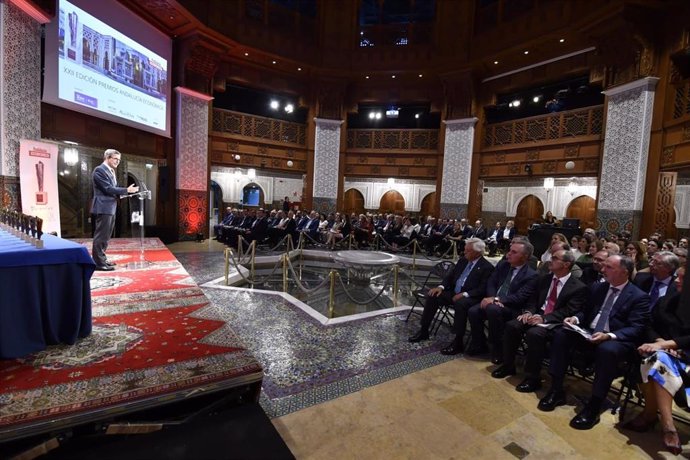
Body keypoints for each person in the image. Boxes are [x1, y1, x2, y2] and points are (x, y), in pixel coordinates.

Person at [537, 255, 650, 430]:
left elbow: (636, 328)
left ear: (624, 272)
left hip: (615, 338)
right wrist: (575, 318)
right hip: (589, 332)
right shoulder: (598, 288)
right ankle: (556, 389)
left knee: (607, 351)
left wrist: (609, 335)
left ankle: (594, 404)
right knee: (562, 334)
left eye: (609, 267)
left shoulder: (638, 296)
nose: (603, 270)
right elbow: (585, 312)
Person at [493, 249, 587, 392]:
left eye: (555, 258)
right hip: (536, 314)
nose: (550, 260)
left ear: (566, 264)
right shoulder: (545, 279)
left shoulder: (578, 287)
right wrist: (529, 312)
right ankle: (508, 365)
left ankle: (533, 377)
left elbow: (569, 311)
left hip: (555, 321)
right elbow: (533, 299)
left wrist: (544, 318)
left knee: (534, 334)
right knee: (512, 326)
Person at [622, 267, 686, 455]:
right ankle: (667, 425)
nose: (676, 280)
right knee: (656, 359)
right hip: (663, 354)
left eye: (683, 278)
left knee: (654, 361)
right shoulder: (667, 300)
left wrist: (669, 345)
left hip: (685, 358)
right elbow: (649, 324)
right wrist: (658, 341)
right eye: (677, 276)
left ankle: (650, 415)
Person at [408, 238, 494, 353]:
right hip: (454, 292)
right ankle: (424, 331)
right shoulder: (463, 261)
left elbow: (482, 289)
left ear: (477, 252)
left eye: (467, 250)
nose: (464, 252)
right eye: (465, 250)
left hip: (471, 297)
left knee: (460, 304)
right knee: (433, 295)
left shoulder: (486, 267)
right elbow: (450, 276)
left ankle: (458, 341)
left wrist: (465, 294)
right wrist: (441, 287)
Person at [466, 240, 539, 363]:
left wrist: (496, 300)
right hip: (494, 303)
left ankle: (498, 348)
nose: (508, 254)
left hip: (513, 308)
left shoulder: (531, 275)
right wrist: (492, 297)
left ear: (525, 256)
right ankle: (479, 343)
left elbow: (519, 297)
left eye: (513, 252)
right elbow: (491, 283)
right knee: (473, 311)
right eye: (509, 251)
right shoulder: (503, 265)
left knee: (493, 309)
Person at [91, 149, 138, 271]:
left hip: (110, 206)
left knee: (106, 236)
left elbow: (113, 190)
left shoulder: (111, 171)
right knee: (101, 236)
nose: (117, 162)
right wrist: (126, 190)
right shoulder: (99, 170)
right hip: (103, 207)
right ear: (107, 157)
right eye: (115, 159)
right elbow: (107, 188)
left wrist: (125, 194)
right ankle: (98, 263)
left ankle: (102, 259)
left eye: (119, 160)